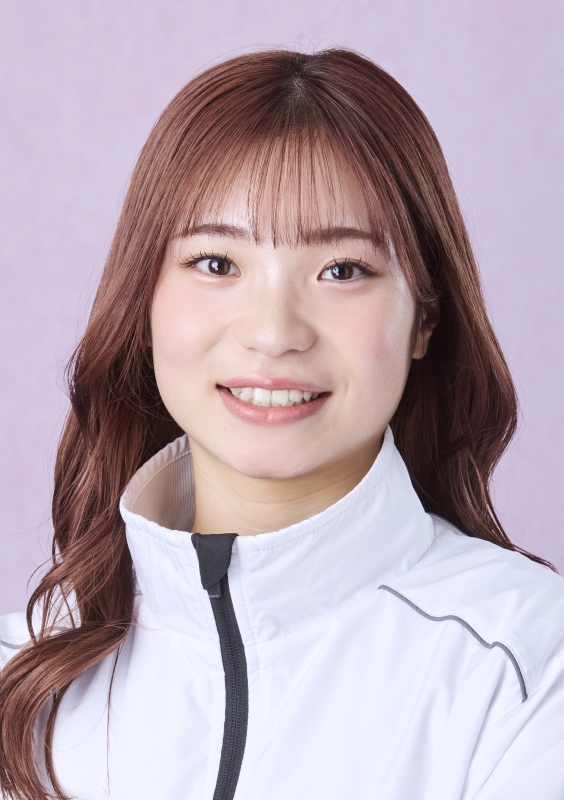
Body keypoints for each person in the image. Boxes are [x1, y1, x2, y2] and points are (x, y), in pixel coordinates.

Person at [1, 47, 563, 800]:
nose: (273, 334)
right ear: (144, 299)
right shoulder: (21, 682)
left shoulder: (529, 666)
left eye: (342, 270)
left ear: (425, 318)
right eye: (216, 263)